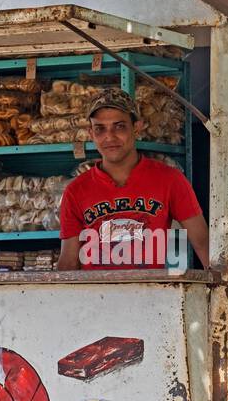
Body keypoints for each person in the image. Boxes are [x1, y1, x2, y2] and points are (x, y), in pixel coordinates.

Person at [57, 88, 209, 271]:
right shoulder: (76, 191)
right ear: (90, 134)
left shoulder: (170, 180)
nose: (109, 137)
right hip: (95, 297)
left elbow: (203, 243)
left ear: (137, 127)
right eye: (100, 129)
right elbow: (69, 262)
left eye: (119, 126)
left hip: (151, 294)